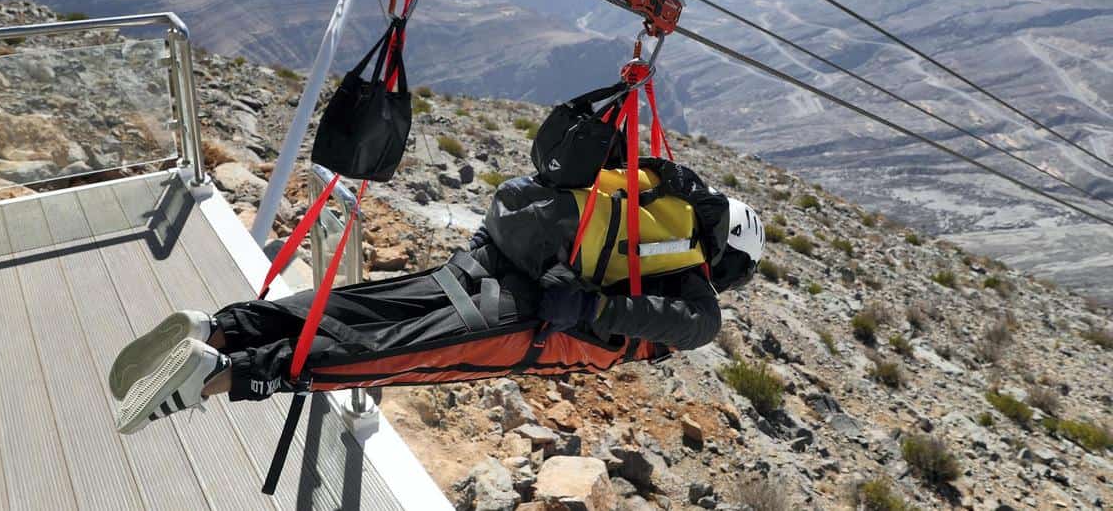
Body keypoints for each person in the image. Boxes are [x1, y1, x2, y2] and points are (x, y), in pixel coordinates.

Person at [110, 167, 765, 435]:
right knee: (382, 354)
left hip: (492, 259)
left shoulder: (651, 199)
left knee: (360, 307)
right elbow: (675, 325)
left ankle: (222, 326)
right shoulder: (699, 295)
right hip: (525, 322)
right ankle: (220, 376)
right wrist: (588, 312)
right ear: (730, 257)